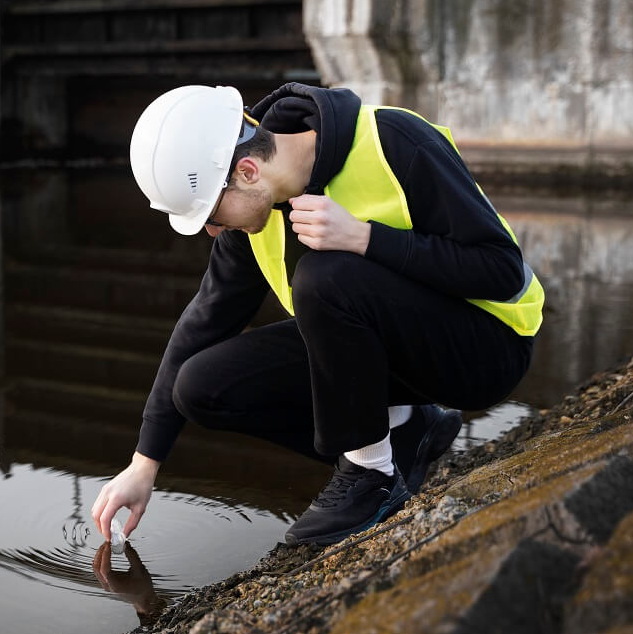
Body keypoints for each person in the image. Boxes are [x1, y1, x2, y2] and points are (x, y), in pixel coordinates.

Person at [90, 82, 543, 546]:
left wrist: (367, 238)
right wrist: (144, 463)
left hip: (487, 349)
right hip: (402, 360)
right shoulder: (256, 210)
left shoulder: (395, 140)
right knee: (201, 386)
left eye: (210, 212)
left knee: (323, 277)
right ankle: (407, 431)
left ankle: (371, 479)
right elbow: (204, 320)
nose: (211, 230)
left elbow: (502, 270)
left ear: (247, 171)